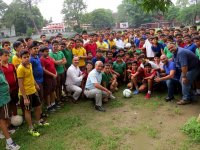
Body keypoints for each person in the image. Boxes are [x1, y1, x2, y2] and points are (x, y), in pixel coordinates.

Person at [17, 50, 47, 137]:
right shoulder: (20, 68)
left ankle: (38, 122)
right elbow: (20, 84)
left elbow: (31, 76)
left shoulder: (29, 65)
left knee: (38, 106)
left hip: (33, 90)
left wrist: (36, 84)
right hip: (26, 93)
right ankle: (30, 128)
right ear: (21, 58)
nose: (26, 59)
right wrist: (25, 97)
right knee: (28, 110)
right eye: (24, 57)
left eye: (27, 57)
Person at [0, 51, 20, 150]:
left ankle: (4, 132)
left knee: (3, 118)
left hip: (5, 97)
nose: (7, 57)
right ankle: (9, 142)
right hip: (2, 98)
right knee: (2, 119)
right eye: (5, 55)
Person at [1, 50, 19, 116]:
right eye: (5, 55)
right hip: (5, 90)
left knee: (14, 103)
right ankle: (9, 119)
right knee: (7, 105)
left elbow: (15, 75)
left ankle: (15, 117)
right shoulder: (0, 67)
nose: (7, 57)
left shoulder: (11, 65)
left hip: (14, 88)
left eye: (8, 55)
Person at [40, 47, 57, 112]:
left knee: (52, 90)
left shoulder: (49, 57)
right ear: (42, 52)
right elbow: (44, 70)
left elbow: (53, 66)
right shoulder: (42, 59)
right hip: (47, 78)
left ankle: (53, 103)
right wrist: (52, 74)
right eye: (46, 51)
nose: (47, 52)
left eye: (48, 51)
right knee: (48, 92)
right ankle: (48, 106)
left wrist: (55, 72)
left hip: (53, 77)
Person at [49, 40, 66, 104]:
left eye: (56, 45)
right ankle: (57, 99)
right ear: (52, 45)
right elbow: (55, 62)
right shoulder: (51, 53)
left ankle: (61, 97)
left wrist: (59, 61)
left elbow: (65, 61)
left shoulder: (60, 52)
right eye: (54, 45)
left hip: (62, 71)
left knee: (61, 85)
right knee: (57, 86)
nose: (55, 46)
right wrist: (61, 60)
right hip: (56, 72)